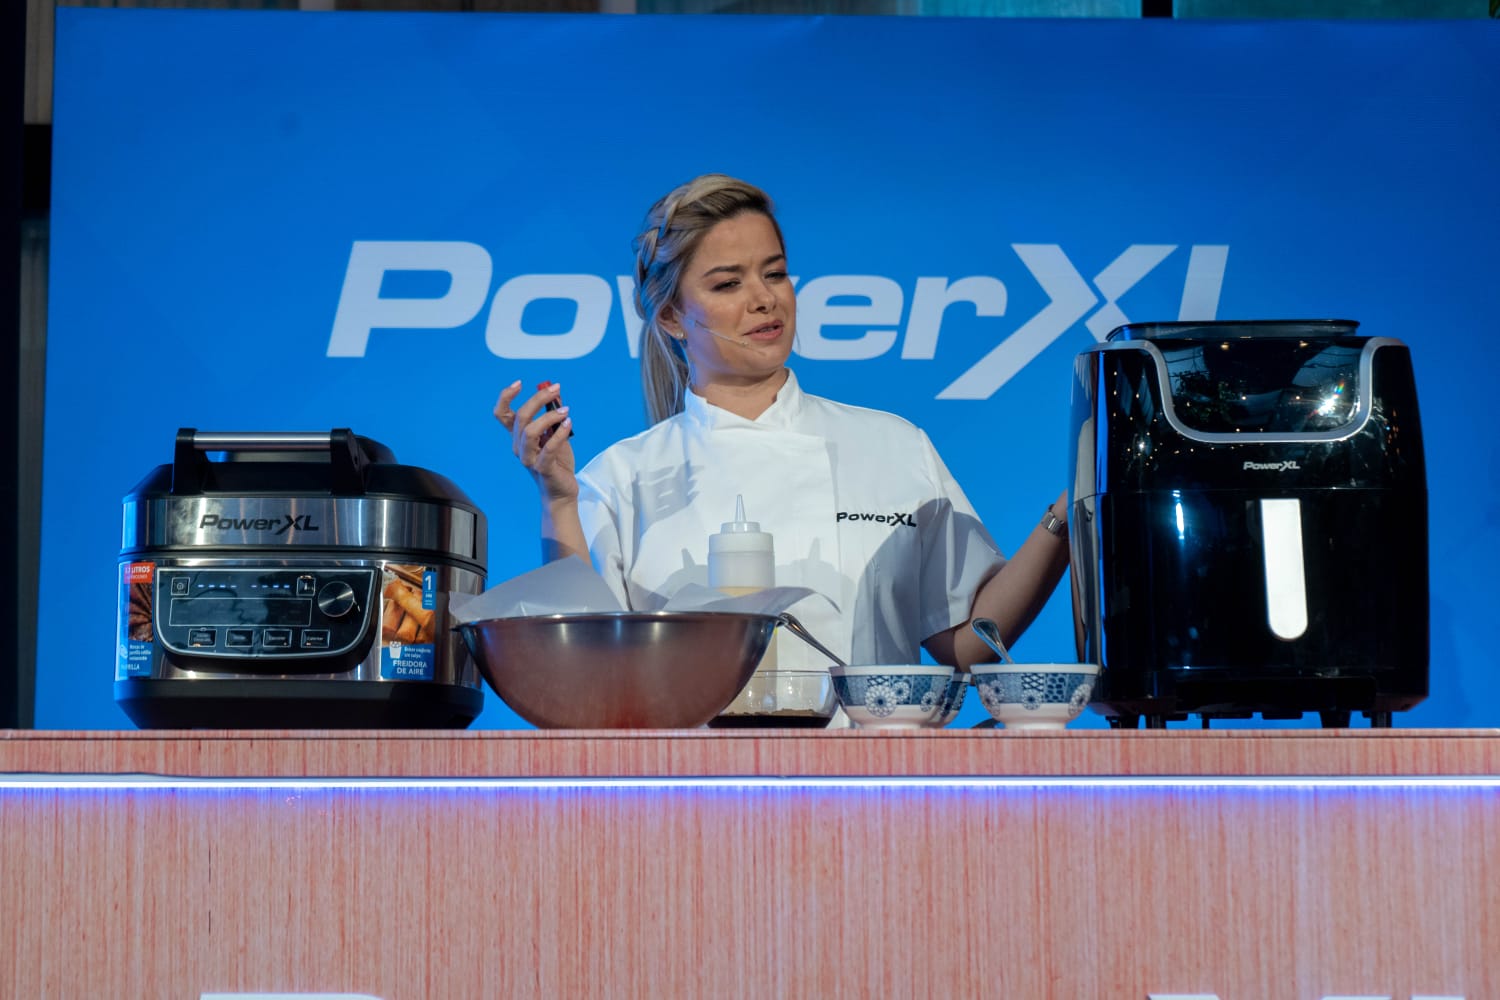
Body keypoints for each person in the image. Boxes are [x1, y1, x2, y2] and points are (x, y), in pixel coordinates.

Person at [493, 173, 1069, 672]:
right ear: (671, 317)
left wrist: (1071, 516)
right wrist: (559, 501)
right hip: (695, 769)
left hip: (871, 765)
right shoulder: (622, 478)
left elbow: (969, 644)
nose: (764, 299)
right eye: (728, 283)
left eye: (774, 273)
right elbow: (589, 673)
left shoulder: (892, 446)